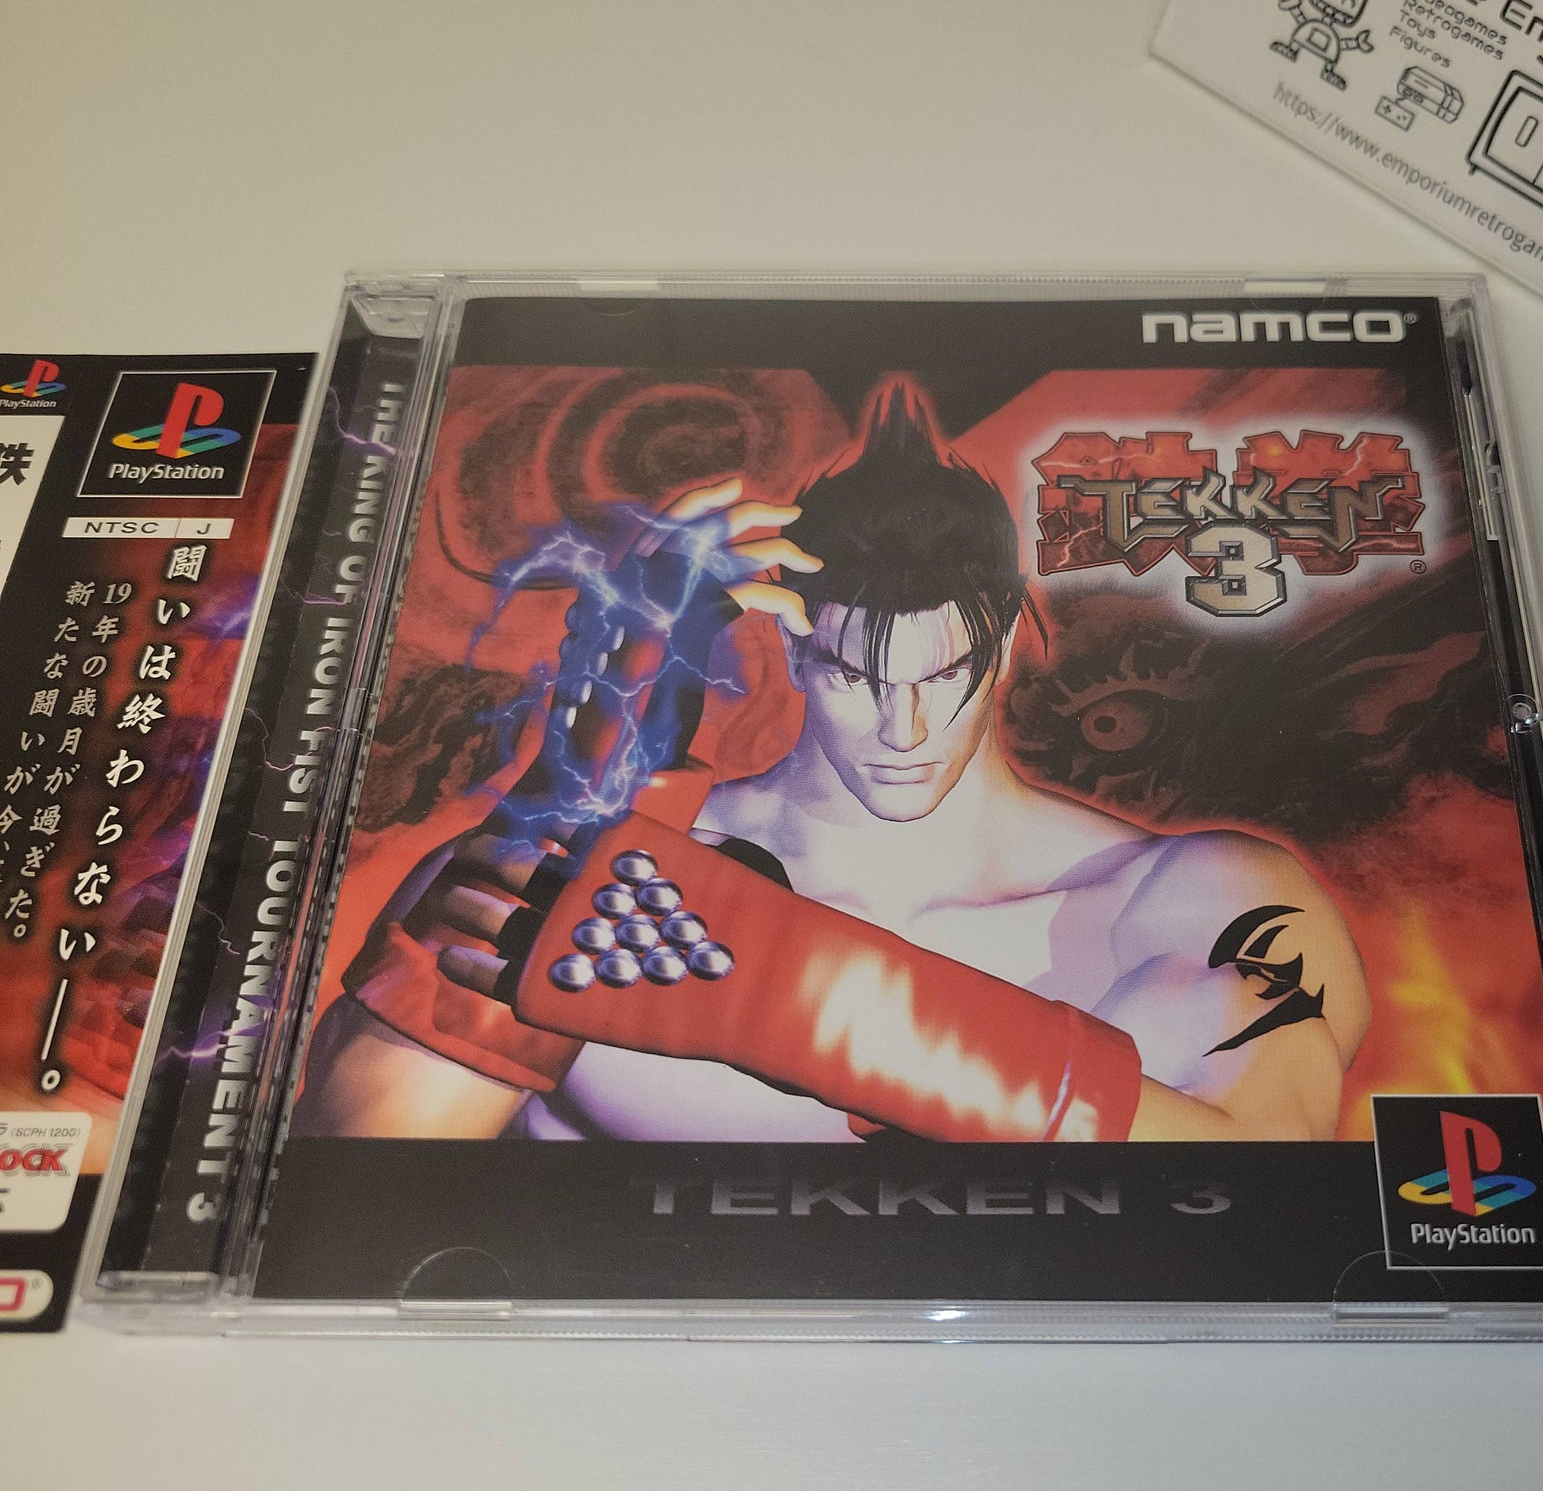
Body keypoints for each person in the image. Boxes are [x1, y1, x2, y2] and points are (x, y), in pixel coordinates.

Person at [296, 389, 1367, 1142]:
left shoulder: (1194, 895)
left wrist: (804, 1005)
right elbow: (366, 1169)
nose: (903, 728)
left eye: (942, 674)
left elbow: (1270, 1183)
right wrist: (577, 793)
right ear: (793, 646)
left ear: (1003, 648)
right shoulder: (609, 868)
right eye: (857, 676)